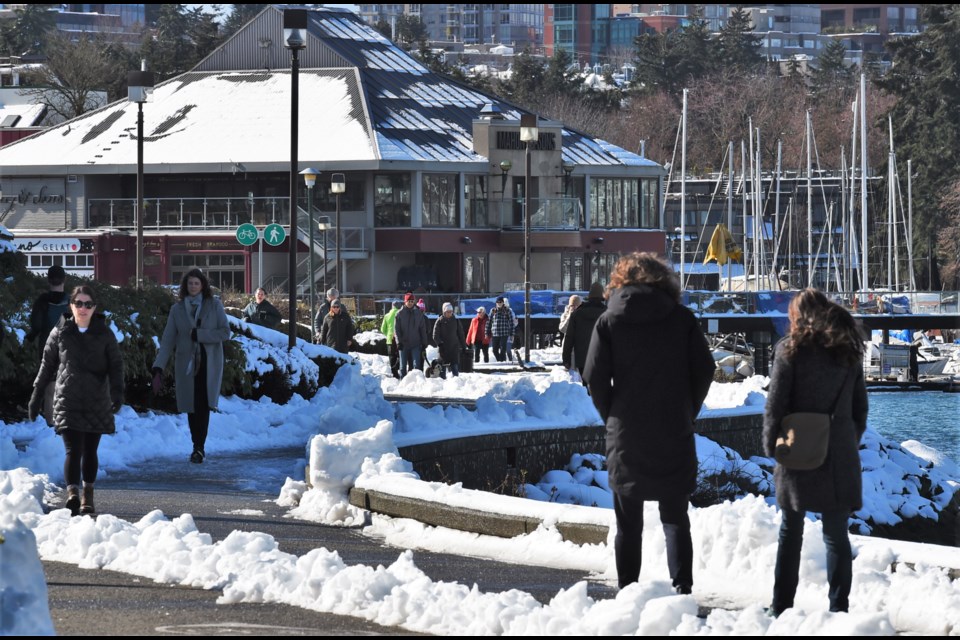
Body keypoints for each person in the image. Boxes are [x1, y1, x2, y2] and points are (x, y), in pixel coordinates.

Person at [583, 252, 715, 593]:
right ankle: (682, 590)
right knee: (675, 519)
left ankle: (628, 592)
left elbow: (594, 376)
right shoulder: (681, 318)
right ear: (663, 280)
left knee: (628, 523)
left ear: (620, 281)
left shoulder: (609, 320)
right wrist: (688, 408)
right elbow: (704, 369)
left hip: (626, 429)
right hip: (674, 426)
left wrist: (611, 413)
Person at [763, 288, 867, 617]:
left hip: (796, 447)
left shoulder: (789, 349)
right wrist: (846, 438)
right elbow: (860, 408)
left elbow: (775, 404)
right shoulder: (847, 350)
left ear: (797, 315)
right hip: (839, 451)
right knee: (836, 534)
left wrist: (771, 445)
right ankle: (839, 609)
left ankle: (781, 607)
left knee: (790, 532)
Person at [28, 285, 124, 516]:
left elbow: (116, 365)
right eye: (78, 303)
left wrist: (118, 393)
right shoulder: (60, 331)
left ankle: (87, 497)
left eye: (87, 304)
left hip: (96, 400)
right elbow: (47, 365)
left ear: (94, 308)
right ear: (71, 305)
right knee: (73, 449)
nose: (82, 308)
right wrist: (36, 395)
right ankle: (72, 494)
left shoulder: (104, 333)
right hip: (67, 398)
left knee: (90, 450)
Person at [152, 268, 230, 464]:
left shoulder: (214, 305)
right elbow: (168, 340)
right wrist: (158, 366)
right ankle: (196, 443)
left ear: (203, 285)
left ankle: (199, 447)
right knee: (190, 405)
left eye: (197, 283)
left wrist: (201, 335)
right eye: (190, 283)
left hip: (208, 362)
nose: (193, 286)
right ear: (185, 286)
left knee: (203, 404)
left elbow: (225, 332)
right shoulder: (177, 309)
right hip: (185, 363)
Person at [26, 265, 70, 425]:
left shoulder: (42, 301)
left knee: (50, 388)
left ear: (48, 279)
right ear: (64, 279)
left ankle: (51, 425)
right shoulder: (71, 301)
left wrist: (30, 337)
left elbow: (36, 325)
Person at [562, 283, 606, 381]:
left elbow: (569, 338)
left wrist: (566, 359)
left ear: (589, 296)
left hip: (582, 359)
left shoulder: (577, 314)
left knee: (584, 387)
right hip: (602, 359)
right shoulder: (608, 313)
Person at [394, 292, 428, 376]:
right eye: (408, 301)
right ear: (405, 302)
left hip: (415, 343)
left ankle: (415, 385)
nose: (410, 303)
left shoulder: (418, 314)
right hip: (403, 344)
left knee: (416, 366)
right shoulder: (399, 314)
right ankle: (403, 384)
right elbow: (396, 330)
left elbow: (422, 329)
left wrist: (424, 343)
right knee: (403, 366)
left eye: (412, 301)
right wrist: (398, 342)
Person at [433, 302, 466, 378]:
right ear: (444, 312)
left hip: (453, 348)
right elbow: (435, 335)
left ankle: (456, 383)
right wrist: (440, 344)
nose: (449, 313)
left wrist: (464, 346)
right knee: (442, 368)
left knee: (455, 367)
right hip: (443, 349)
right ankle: (442, 383)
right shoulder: (439, 321)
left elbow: (461, 334)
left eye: (451, 312)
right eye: (448, 312)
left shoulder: (456, 321)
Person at [486, 296, 515, 362]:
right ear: (496, 303)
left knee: (503, 349)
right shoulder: (493, 310)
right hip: (495, 333)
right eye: (497, 302)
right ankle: (500, 361)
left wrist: (512, 334)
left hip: (504, 332)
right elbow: (488, 322)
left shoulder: (507, 310)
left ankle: (502, 362)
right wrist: (486, 332)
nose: (499, 303)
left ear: (503, 303)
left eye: (500, 302)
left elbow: (511, 323)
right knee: (494, 350)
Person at [380, 300, 403, 378]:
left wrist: (389, 334)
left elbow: (382, 329)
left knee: (391, 357)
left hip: (390, 339)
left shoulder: (387, 315)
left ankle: (394, 373)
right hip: (399, 339)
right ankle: (399, 369)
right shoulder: (401, 314)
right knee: (400, 355)